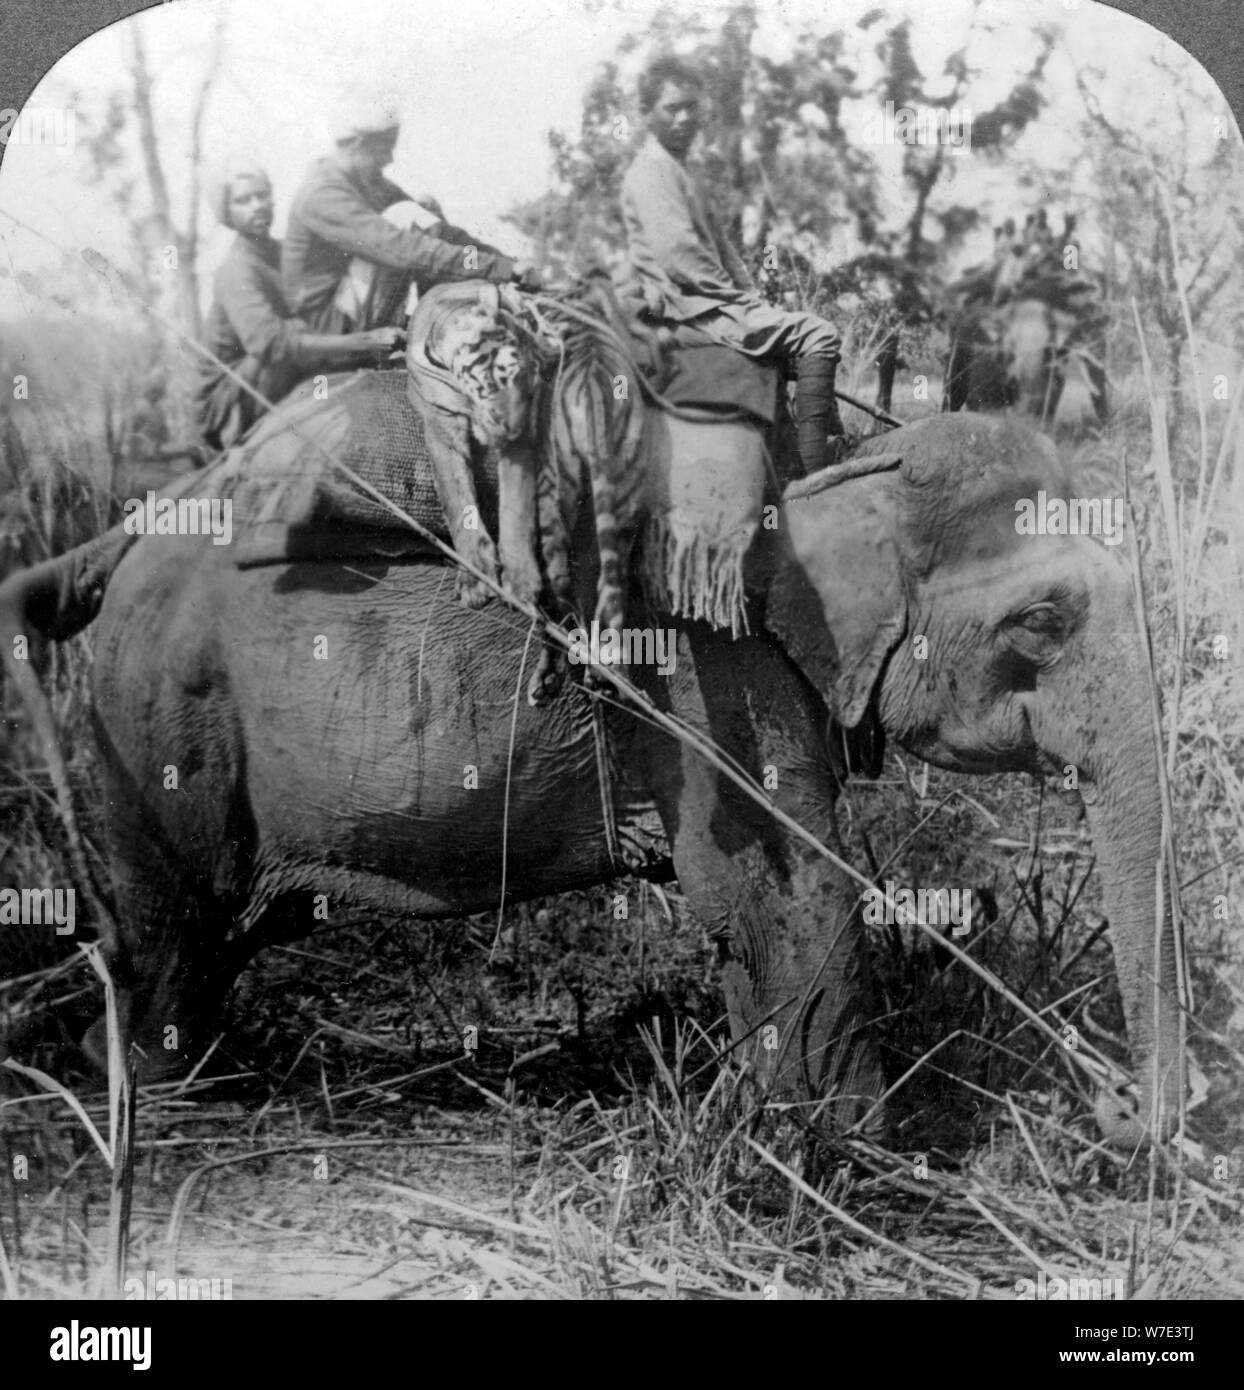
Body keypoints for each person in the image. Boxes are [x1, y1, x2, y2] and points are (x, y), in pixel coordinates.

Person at [618, 55, 846, 474]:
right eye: (672, 108)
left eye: (691, 106)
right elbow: (680, 256)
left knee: (790, 336)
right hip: (688, 309)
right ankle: (818, 477)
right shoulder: (650, 173)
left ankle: (798, 452)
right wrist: (740, 302)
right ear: (647, 114)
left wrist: (754, 300)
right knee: (820, 334)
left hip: (706, 301)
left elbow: (724, 251)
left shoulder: (679, 171)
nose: (685, 117)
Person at [196, 159, 400, 452]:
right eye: (243, 200)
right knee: (293, 331)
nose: (257, 205)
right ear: (226, 212)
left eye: (261, 195)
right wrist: (363, 342)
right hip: (232, 400)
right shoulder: (235, 270)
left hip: (281, 368)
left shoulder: (281, 252)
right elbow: (270, 343)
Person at [282, 102, 535, 337]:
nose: (389, 160)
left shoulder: (369, 183)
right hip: (327, 328)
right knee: (406, 215)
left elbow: (440, 232)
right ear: (358, 145)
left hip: (352, 306)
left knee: (423, 207)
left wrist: (507, 262)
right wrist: (499, 269)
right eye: (384, 150)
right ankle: (445, 321)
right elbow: (402, 248)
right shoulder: (322, 194)